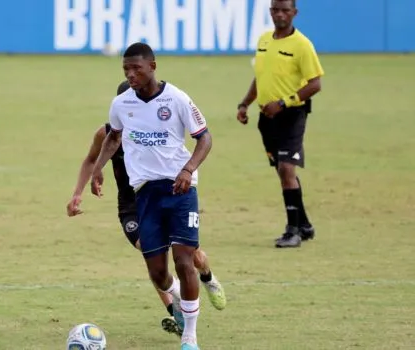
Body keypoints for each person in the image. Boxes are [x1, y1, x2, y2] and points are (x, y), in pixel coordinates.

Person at [66, 80, 226, 338]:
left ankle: (207, 277)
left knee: (192, 257)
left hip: (164, 194)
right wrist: (77, 194)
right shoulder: (107, 134)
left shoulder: (155, 125)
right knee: (151, 253)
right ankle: (175, 308)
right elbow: (90, 159)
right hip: (131, 205)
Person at [90, 42, 213, 350]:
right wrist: (98, 167)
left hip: (180, 188)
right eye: (126, 70)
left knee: (184, 260)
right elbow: (113, 137)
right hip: (145, 194)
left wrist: (188, 170)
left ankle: (189, 336)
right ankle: (181, 304)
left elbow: (205, 138)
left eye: (136, 68)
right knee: (158, 274)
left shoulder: (177, 99)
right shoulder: (121, 104)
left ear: (153, 66)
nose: (131, 75)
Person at [236, 0, 324, 248]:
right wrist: (245, 104)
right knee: (283, 171)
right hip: (267, 118)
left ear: (294, 13)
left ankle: (293, 230)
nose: (280, 14)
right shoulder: (264, 40)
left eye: (285, 10)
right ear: (270, 12)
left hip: (291, 115)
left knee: (287, 169)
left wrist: (284, 103)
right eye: (276, 9)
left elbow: (315, 83)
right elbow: (261, 77)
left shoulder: (302, 45)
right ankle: (304, 224)